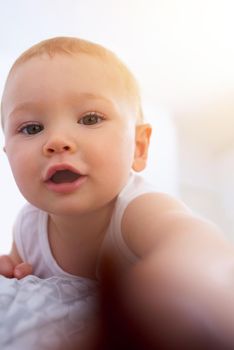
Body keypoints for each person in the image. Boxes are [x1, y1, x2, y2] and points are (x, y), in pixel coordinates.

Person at [0, 36, 234, 349]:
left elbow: (197, 242)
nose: (56, 140)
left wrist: (181, 288)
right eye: (31, 128)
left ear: (138, 147)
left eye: (90, 119)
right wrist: (11, 266)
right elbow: (16, 264)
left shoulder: (137, 209)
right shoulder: (27, 225)